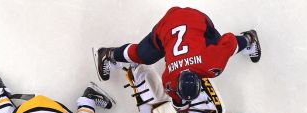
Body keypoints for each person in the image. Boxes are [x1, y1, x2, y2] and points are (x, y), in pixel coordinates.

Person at [95, 6, 260, 92]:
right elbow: (228, 42)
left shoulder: (211, 65)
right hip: (177, 23)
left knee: (144, 55)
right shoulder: (170, 77)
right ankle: (108, 54)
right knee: (144, 56)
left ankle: (250, 38)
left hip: (181, 21)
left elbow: (229, 42)